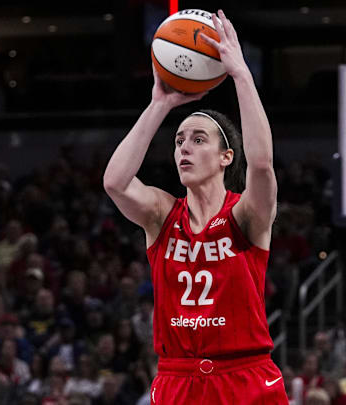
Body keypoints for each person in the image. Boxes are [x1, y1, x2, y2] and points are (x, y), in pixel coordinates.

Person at [102, 10, 287, 404]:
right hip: (178, 378)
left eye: (198, 139)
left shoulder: (246, 216)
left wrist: (241, 75)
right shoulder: (162, 214)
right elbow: (115, 182)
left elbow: (262, 163)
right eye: (179, 141)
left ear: (225, 157)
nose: (184, 147)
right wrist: (158, 105)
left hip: (245, 376)